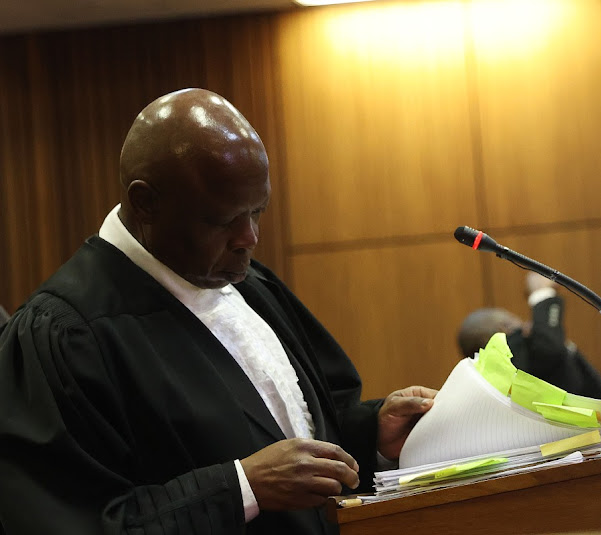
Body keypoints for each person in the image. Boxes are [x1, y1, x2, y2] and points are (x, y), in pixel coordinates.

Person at [0, 88, 437, 535]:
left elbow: (302, 426)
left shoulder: (249, 283)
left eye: (257, 211)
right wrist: (240, 488)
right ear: (145, 202)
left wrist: (372, 436)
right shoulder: (64, 335)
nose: (249, 237)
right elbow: (69, 521)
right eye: (222, 220)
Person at [457, 272, 601, 402]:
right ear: (504, 328)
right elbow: (549, 347)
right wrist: (541, 293)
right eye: (517, 321)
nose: (528, 325)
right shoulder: (513, 356)